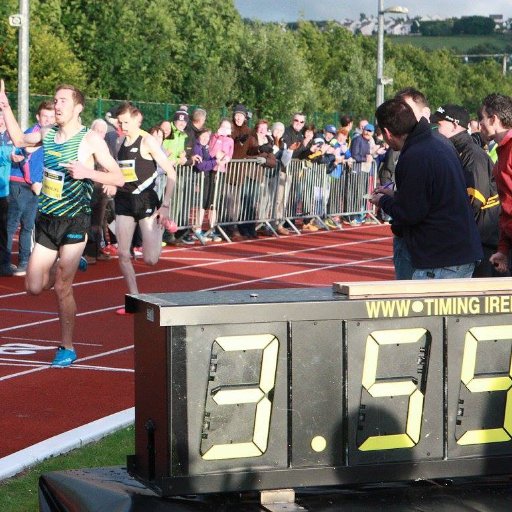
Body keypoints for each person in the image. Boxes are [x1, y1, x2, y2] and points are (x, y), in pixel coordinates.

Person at [0, 80, 125, 366]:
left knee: (61, 287)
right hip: (47, 219)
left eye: (63, 101)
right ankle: (69, 262)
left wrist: (87, 172)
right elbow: (19, 140)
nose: (56, 106)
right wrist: (5, 105)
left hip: (74, 222)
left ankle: (66, 347)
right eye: (55, 101)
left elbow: (117, 177)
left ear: (78, 107)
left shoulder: (88, 139)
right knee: (33, 287)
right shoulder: (47, 133)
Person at [370, 97, 482, 279]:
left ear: (387, 133)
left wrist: (383, 201)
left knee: (423, 307)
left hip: (442, 258)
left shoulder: (416, 154)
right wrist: (397, 195)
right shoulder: (438, 141)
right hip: (457, 252)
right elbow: (433, 194)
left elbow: (411, 213)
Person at [113, 102, 176, 313]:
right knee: (122, 254)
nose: (122, 126)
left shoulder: (147, 141)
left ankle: (160, 227)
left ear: (136, 119)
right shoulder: (119, 140)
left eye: (126, 122)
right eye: (120, 122)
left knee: (150, 259)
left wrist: (165, 204)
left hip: (146, 200)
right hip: (124, 200)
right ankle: (134, 299)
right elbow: (117, 170)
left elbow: (171, 173)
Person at [432, 104, 502, 278]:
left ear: (455, 125)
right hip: (472, 242)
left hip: (484, 244)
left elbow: (474, 200)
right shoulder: (454, 151)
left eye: (439, 124)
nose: (434, 128)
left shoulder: (472, 154)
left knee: (483, 300)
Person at [6, 101, 55, 276]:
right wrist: (33, 180)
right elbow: (22, 157)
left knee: (28, 226)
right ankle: (5, 262)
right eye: (45, 116)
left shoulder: (52, 135)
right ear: (38, 117)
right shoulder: (31, 133)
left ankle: (24, 261)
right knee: (12, 225)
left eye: (52, 117)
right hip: (21, 183)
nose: (48, 120)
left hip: (36, 185)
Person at [478, 93, 512, 274]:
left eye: (482, 119)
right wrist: (504, 249)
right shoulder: (502, 151)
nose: (479, 124)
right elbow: (506, 205)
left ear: (493, 119)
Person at [82, 118, 113, 264]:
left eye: (102, 131)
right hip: (86, 188)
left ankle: (95, 251)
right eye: (97, 130)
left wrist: (110, 182)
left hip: (101, 190)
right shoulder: (85, 144)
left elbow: (112, 168)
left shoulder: (106, 148)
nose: (100, 133)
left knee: (98, 222)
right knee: (85, 221)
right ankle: (86, 252)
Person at [0, 110, 15, 276]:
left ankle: (4, 263)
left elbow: (20, 151)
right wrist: (8, 155)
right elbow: (10, 155)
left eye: (3, 116)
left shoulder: (12, 135)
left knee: (3, 229)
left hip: (4, 191)